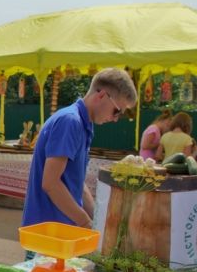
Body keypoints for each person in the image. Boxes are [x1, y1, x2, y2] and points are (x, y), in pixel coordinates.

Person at [22, 68, 137, 229]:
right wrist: (85, 222)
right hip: (46, 233)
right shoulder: (70, 121)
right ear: (102, 95)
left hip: (60, 230)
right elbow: (51, 183)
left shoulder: (84, 124)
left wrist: (97, 221)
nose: (115, 119)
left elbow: (76, 183)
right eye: (117, 111)